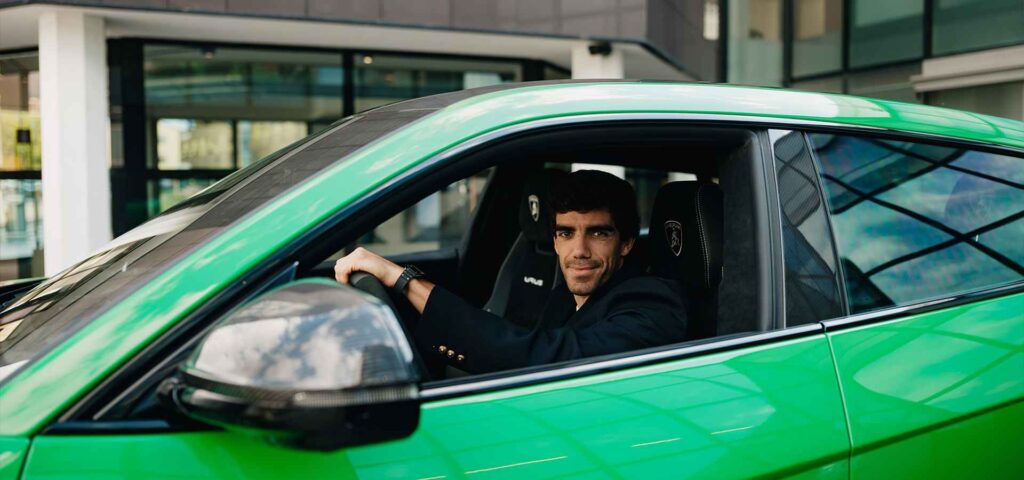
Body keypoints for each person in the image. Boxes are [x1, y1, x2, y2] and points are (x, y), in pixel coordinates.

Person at [334, 170, 687, 374]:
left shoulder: (651, 305)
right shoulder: (572, 291)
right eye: (565, 233)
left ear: (625, 243)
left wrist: (404, 280)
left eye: (598, 232)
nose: (579, 251)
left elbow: (548, 357)